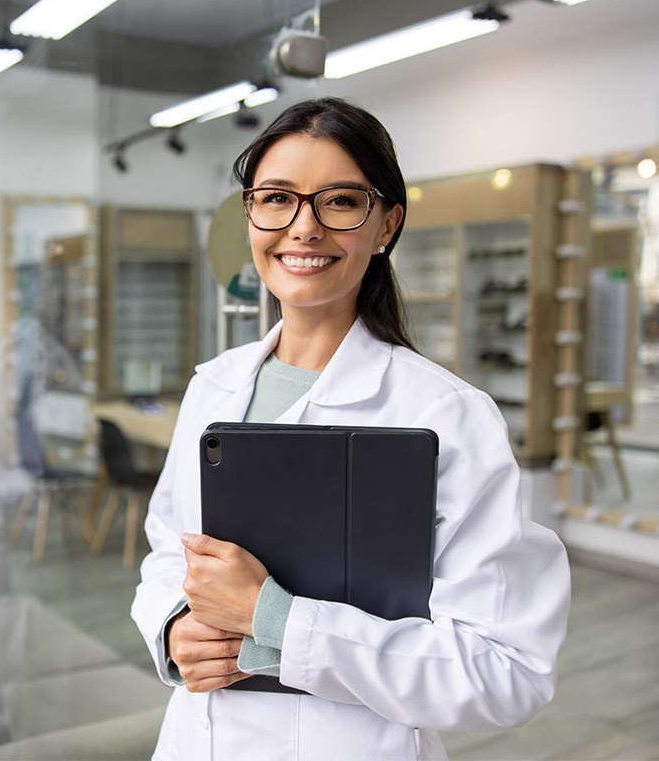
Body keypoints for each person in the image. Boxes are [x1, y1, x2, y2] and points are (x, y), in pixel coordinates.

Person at [131, 96, 571, 761]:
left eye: (339, 201)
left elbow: (507, 671)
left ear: (387, 224)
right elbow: (169, 548)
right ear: (250, 216)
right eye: (276, 199)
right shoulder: (213, 387)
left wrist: (276, 621)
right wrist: (173, 629)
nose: (303, 228)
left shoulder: (445, 415)